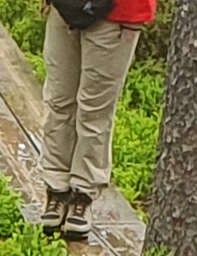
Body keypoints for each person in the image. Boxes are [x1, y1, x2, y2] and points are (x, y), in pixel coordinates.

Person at [34, 0, 155, 239]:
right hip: (65, 7)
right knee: (59, 101)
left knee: (95, 112)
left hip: (119, 12)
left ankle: (83, 193)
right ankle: (56, 188)